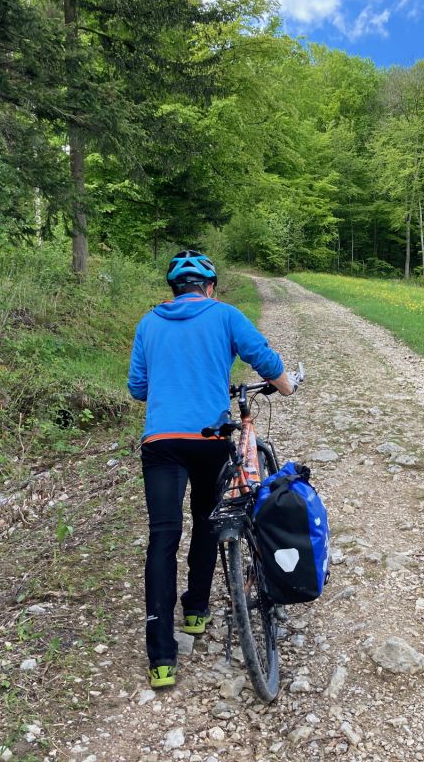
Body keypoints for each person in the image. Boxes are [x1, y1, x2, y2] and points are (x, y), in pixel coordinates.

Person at [127, 250, 295, 689]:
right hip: (209, 439)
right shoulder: (225, 315)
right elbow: (264, 359)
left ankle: (161, 660)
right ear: (210, 288)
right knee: (206, 519)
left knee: (162, 538)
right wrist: (286, 386)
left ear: (173, 290)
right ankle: (197, 611)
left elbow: (138, 388)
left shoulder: (148, 323)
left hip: (161, 442)